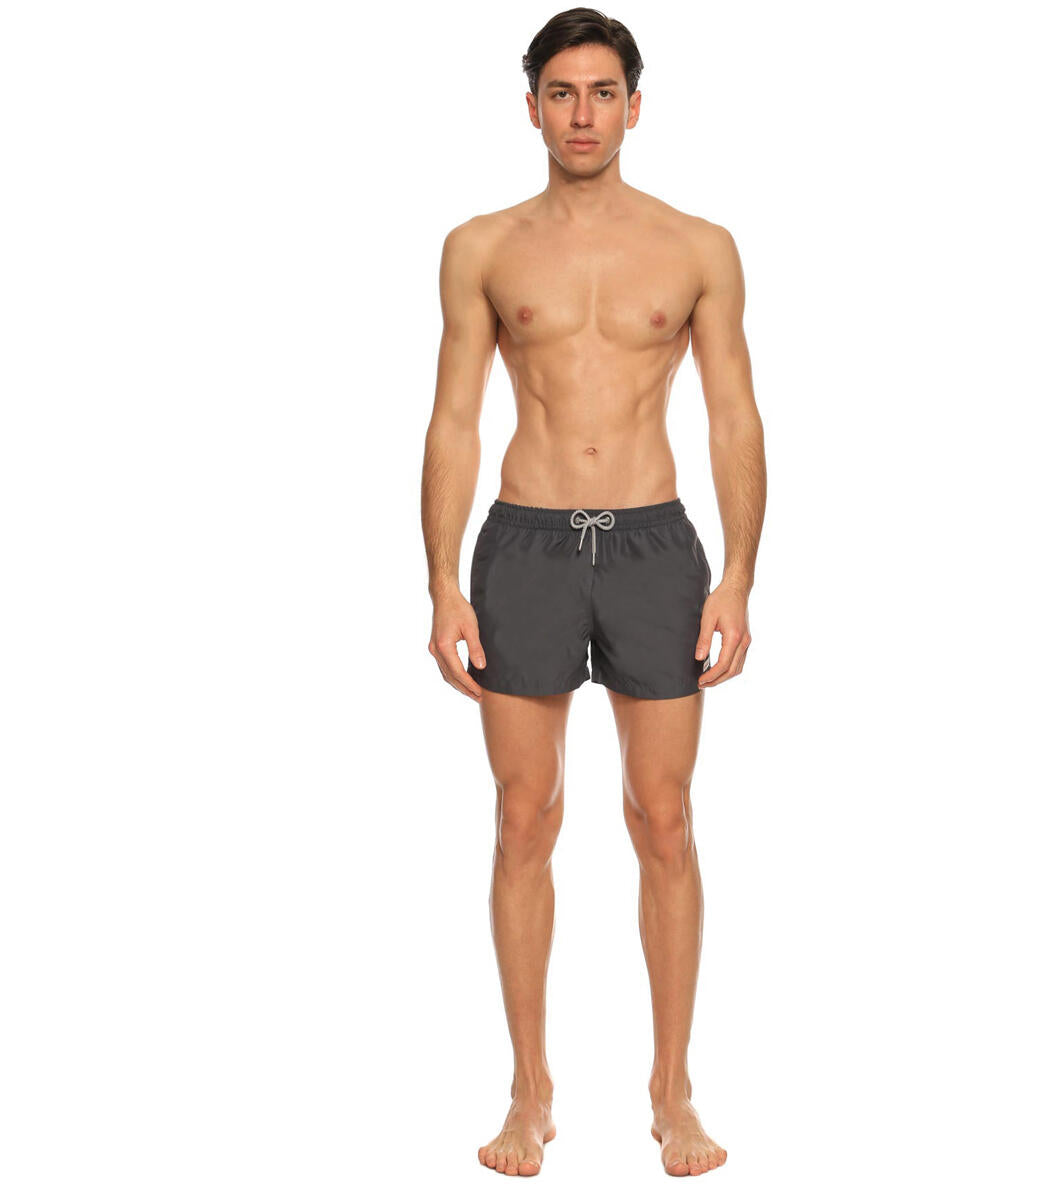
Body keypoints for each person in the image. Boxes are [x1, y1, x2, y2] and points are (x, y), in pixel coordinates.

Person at [421, 7, 766, 1178]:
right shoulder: (481, 246)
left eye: (603, 92)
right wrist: (441, 582)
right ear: (531, 107)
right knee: (524, 818)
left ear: (635, 106)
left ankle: (673, 1091)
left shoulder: (698, 247)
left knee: (663, 819)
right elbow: (454, 421)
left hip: (654, 548)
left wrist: (739, 574)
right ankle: (531, 1092)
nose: (583, 114)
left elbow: (734, 416)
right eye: (562, 93)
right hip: (521, 545)